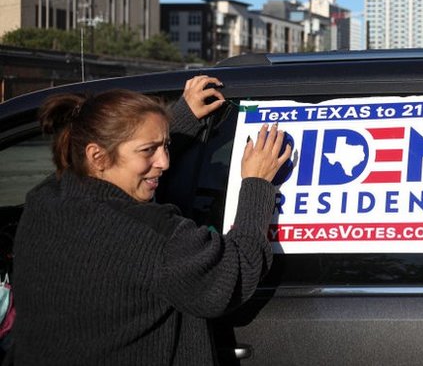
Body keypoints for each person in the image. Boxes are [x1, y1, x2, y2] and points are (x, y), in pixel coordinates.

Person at [7, 75, 291, 365]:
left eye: (165, 145)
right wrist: (257, 184)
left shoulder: (44, 200)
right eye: (149, 150)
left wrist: (178, 120)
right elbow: (235, 274)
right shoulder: (154, 236)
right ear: (97, 156)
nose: (164, 162)